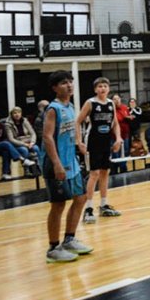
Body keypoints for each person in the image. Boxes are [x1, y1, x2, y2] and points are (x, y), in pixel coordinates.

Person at [40, 71, 93, 263]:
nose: (69, 85)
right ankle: (53, 248)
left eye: (70, 82)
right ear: (55, 87)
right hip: (56, 163)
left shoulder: (70, 107)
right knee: (59, 204)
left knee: (81, 198)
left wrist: (78, 143)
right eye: (64, 83)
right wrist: (57, 164)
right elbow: (47, 137)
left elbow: (72, 130)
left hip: (71, 162)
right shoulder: (53, 109)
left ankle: (69, 239)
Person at [77, 77, 122, 223]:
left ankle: (103, 205)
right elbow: (77, 122)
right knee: (94, 173)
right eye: (100, 86)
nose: (103, 88)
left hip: (105, 142)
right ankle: (88, 208)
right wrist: (79, 142)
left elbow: (115, 123)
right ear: (95, 89)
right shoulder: (90, 103)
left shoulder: (110, 104)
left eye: (105, 86)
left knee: (105, 172)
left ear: (108, 89)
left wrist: (118, 138)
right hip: (92, 142)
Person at [0, 109, 35, 180]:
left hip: (1, 147)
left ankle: (5, 173)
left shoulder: (1, 126)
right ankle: (22, 160)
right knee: (5, 144)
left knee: (7, 151)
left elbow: (5, 138)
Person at [111, 94, 132, 174]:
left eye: (118, 98)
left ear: (120, 99)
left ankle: (123, 170)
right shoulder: (111, 109)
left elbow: (128, 116)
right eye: (114, 99)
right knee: (115, 154)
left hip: (125, 134)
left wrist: (129, 118)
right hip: (114, 136)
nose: (116, 100)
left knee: (125, 153)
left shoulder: (125, 107)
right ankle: (115, 171)